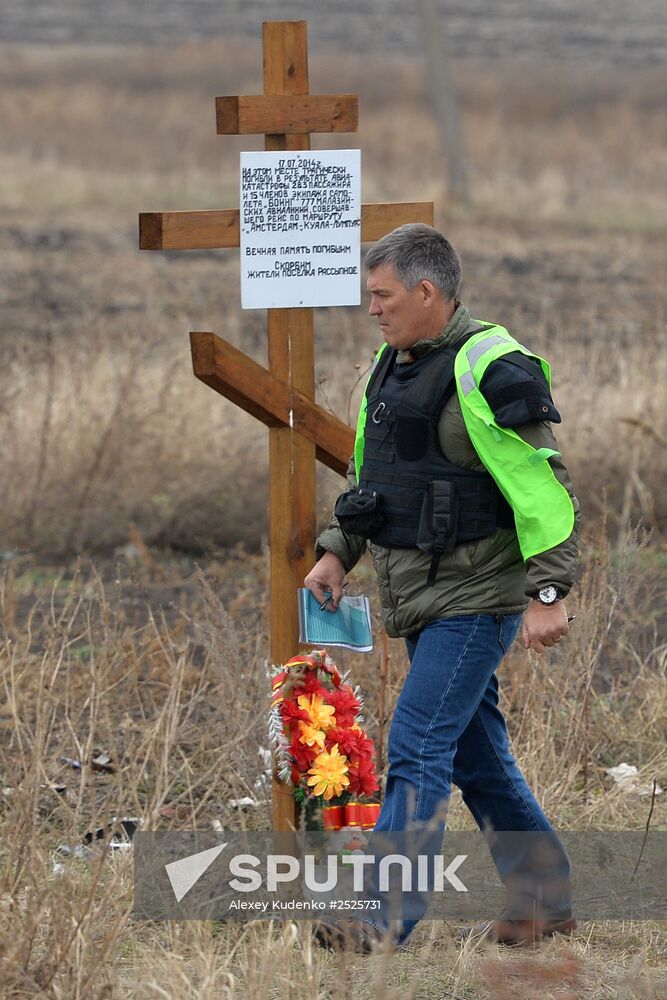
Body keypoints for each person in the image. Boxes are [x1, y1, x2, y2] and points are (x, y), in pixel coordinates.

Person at [304, 223, 581, 951]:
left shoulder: (493, 366)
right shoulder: (389, 366)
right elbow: (372, 478)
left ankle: (379, 918)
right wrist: (336, 551)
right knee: (475, 758)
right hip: (419, 595)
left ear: (426, 291)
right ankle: (545, 897)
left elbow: (544, 487)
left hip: (477, 597)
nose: (371, 309)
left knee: (417, 743)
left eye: (382, 295)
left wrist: (547, 594)